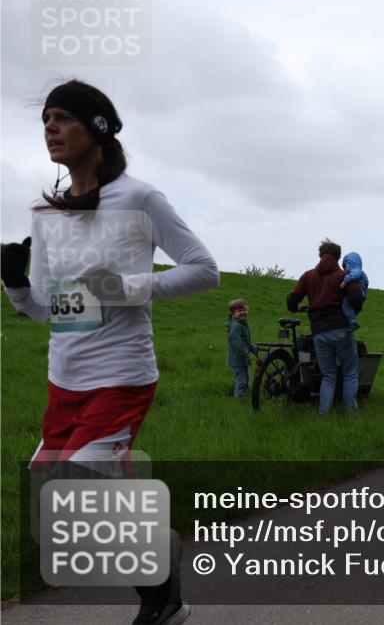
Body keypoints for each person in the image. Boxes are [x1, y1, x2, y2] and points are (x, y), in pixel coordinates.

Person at [0, 79, 219, 625]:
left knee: (72, 485)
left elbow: (204, 270)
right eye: (45, 119)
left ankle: (163, 600)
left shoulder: (140, 198)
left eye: (62, 118)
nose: (49, 128)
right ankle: (158, 548)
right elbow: (50, 309)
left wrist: (129, 286)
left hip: (121, 373)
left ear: (97, 130)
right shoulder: (46, 214)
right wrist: (16, 286)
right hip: (64, 379)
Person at [287, 240, 365, 415]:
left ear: (320, 255)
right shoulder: (344, 275)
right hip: (341, 330)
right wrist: (354, 313)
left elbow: (291, 302)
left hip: (319, 333)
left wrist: (300, 308)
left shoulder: (307, 276)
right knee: (350, 373)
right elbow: (356, 299)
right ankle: (350, 413)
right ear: (338, 257)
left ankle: (323, 414)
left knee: (328, 376)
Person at [227, 298, 257, 396]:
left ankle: (244, 396)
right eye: (239, 311)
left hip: (241, 358)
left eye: (244, 310)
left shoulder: (242, 324)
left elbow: (246, 342)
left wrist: (256, 349)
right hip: (237, 359)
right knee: (241, 382)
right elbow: (237, 343)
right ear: (233, 314)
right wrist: (246, 354)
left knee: (245, 380)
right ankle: (238, 399)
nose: (243, 312)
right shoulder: (236, 326)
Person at [339, 251, 368, 331]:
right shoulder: (361, 272)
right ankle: (352, 319)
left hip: (358, 292)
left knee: (345, 305)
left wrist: (345, 281)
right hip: (362, 293)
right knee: (352, 308)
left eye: (345, 267)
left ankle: (352, 322)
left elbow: (354, 275)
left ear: (348, 264)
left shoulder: (356, 271)